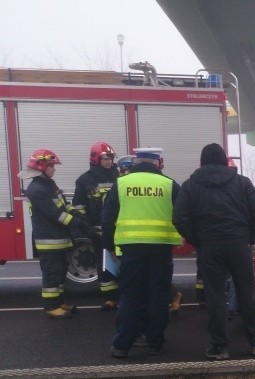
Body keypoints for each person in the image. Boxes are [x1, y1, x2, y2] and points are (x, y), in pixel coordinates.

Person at [173, 143, 255, 360]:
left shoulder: (190, 185)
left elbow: (179, 218)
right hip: (238, 245)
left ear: (202, 162)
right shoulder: (242, 183)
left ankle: (220, 347)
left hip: (209, 246)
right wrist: (248, 238)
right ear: (225, 161)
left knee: (215, 297)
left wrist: (199, 241)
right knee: (246, 294)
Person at [101, 147, 182, 358]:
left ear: (137, 162)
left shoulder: (121, 184)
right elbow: (183, 214)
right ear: (157, 162)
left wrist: (110, 247)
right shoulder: (169, 184)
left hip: (131, 248)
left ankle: (122, 345)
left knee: (130, 296)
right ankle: (156, 343)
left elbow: (108, 218)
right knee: (158, 295)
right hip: (161, 248)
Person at [23, 149, 100, 319]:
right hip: (49, 240)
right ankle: (51, 306)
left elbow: (65, 206)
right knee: (51, 273)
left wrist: (81, 216)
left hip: (59, 238)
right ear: (41, 166)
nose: (54, 169)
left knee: (60, 272)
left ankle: (59, 302)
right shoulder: (36, 189)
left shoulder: (49, 184)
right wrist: (81, 225)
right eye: (51, 166)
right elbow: (57, 215)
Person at [73, 142, 120, 311]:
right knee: (104, 265)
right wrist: (87, 227)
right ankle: (110, 298)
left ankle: (126, 295)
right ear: (95, 159)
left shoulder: (119, 176)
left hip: (120, 230)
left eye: (111, 158)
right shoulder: (85, 180)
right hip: (97, 230)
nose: (109, 161)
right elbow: (78, 206)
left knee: (123, 263)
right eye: (105, 158)